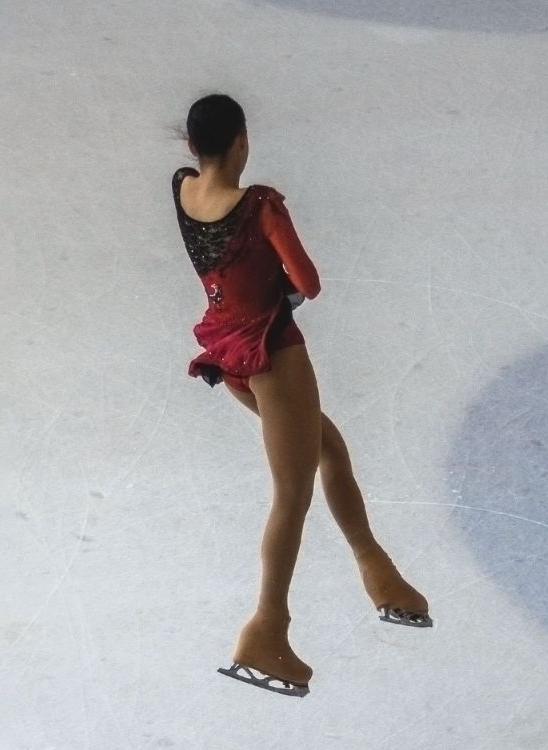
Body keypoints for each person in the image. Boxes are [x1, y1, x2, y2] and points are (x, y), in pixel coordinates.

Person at [171, 93, 431, 697]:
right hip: (272, 355)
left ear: (192, 146)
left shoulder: (182, 187)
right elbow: (307, 282)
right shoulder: (259, 205)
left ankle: (379, 573)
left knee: (328, 451)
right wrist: (275, 283)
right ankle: (267, 628)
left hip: (226, 352)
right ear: (242, 141)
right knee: (292, 495)